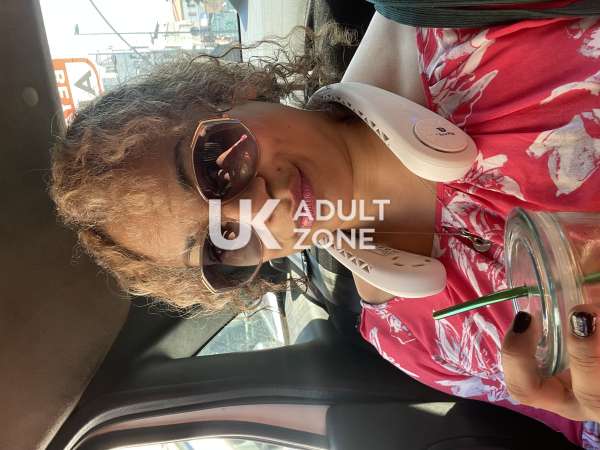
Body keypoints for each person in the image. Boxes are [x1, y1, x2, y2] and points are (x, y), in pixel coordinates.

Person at [51, 9, 600, 449]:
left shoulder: (454, 26)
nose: (257, 210)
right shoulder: (412, 341)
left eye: (213, 166)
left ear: (238, 90)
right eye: (221, 244)